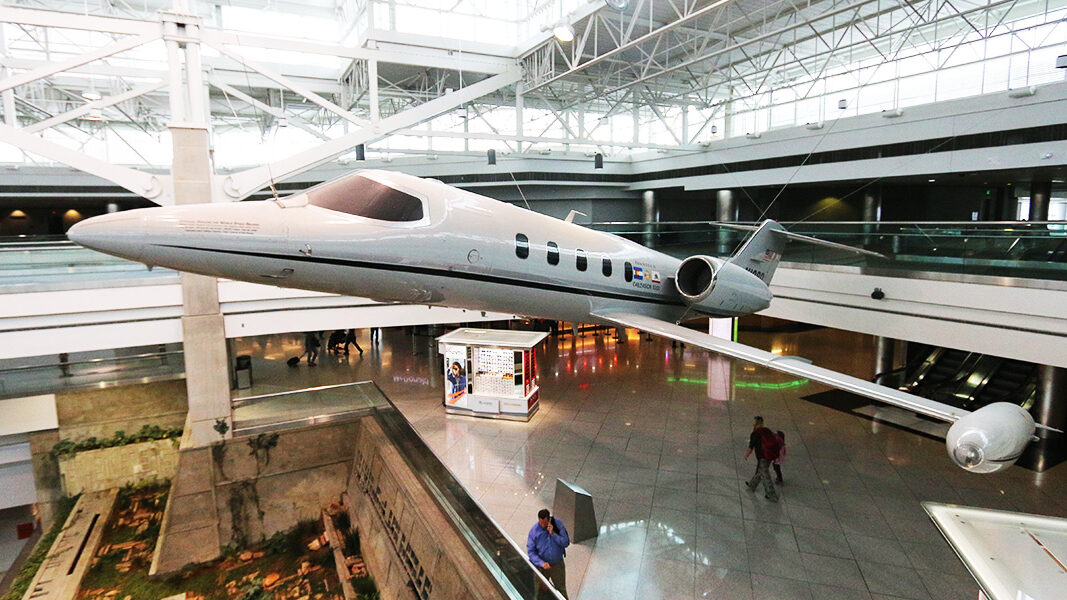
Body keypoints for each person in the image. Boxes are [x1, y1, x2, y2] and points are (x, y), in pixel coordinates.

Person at [527, 508, 569, 598]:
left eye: (545, 523)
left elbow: (566, 542)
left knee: (561, 590)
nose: (543, 525)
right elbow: (531, 551)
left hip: (557, 565)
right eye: (541, 522)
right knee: (538, 591)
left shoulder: (558, 525)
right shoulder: (534, 531)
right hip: (542, 567)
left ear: (548, 519)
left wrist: (553, 534)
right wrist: (541, 563)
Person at [744, 415, 780, 502]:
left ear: (755, 423)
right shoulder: (766, 430)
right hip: (770, 454)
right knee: (761, 471)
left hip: (763, 455)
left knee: (765, 475)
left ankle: (771, 495)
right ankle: (752, 485)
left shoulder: (755, 433)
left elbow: (751, 447)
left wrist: (746, 455)